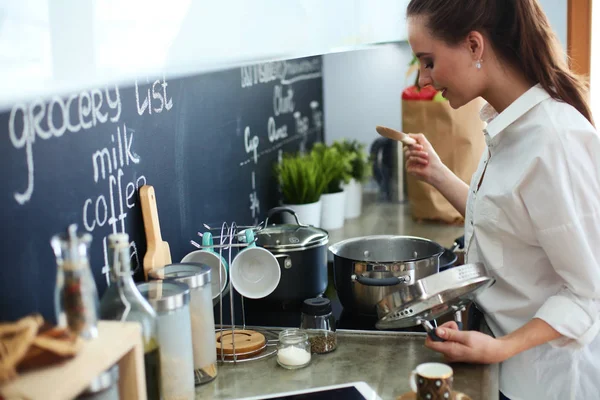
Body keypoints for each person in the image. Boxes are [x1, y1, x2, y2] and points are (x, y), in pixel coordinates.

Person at [402, 0, 600, 399]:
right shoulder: (508, 125)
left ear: (474, 46)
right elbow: (502, 220)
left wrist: (502, 347)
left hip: (546, 382)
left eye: (428, 61)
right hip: (507, 370)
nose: (423, 79)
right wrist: (438, 174)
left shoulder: (553, 141)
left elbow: (589, 292)